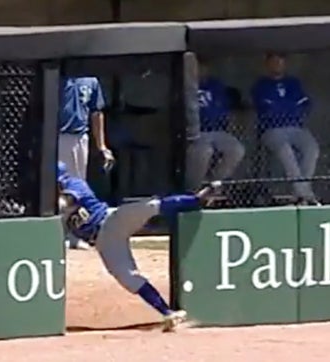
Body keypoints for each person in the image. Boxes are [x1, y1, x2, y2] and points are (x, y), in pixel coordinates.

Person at [57, 160, 219, 332]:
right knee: (128, 278)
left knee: (149, 206)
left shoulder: (74, 183)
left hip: (111, 220)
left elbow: (65, 202)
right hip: (103, 242)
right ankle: (167, 313)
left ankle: (196, 200)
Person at [251, 53, 320, 205]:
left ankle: (300, 194)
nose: (277, 66)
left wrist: (283, 107)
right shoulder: (261, 85)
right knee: (286, 152)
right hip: (272, 130)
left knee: (312, 149)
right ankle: (305, 195)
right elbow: (267, 109)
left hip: (296, 127)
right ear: (267, 65)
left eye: (280, 63)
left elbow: (305, 105)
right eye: (273, 63)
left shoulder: (293, 83)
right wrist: (290, 107)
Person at [58, 77, 114, 250]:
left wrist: (102, 146)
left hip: (80, 137)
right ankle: (59, 234)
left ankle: (73, 234)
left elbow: (96, 113)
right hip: (58, 135)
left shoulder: (91, 81)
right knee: (59, 187)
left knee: (76, 189)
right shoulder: (59, 77)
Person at [186, 59, 245, 191]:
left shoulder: (215, 85)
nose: (200, 71)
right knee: (205, 151)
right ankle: (194, 190)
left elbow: (223, 107)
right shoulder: (186, 85)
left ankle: (212, 185)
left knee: (237, 150)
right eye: (197, 68)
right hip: (196, 132)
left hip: (217, 130)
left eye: (203, 68)